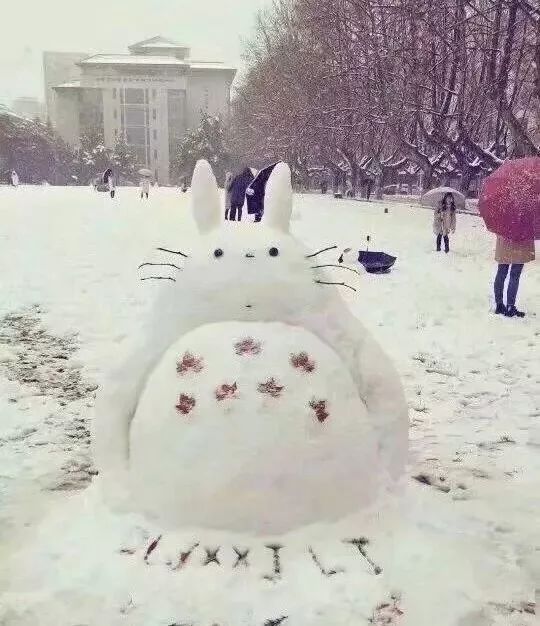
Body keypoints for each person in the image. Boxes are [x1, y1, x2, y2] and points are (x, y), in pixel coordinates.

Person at [493, 235, 535, 317]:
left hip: (504, 239)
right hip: (520, 241)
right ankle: (510, 306)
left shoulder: (501, 222)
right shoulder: (525, 222)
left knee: (501, 272)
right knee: (514, 275)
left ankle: (499, 305)